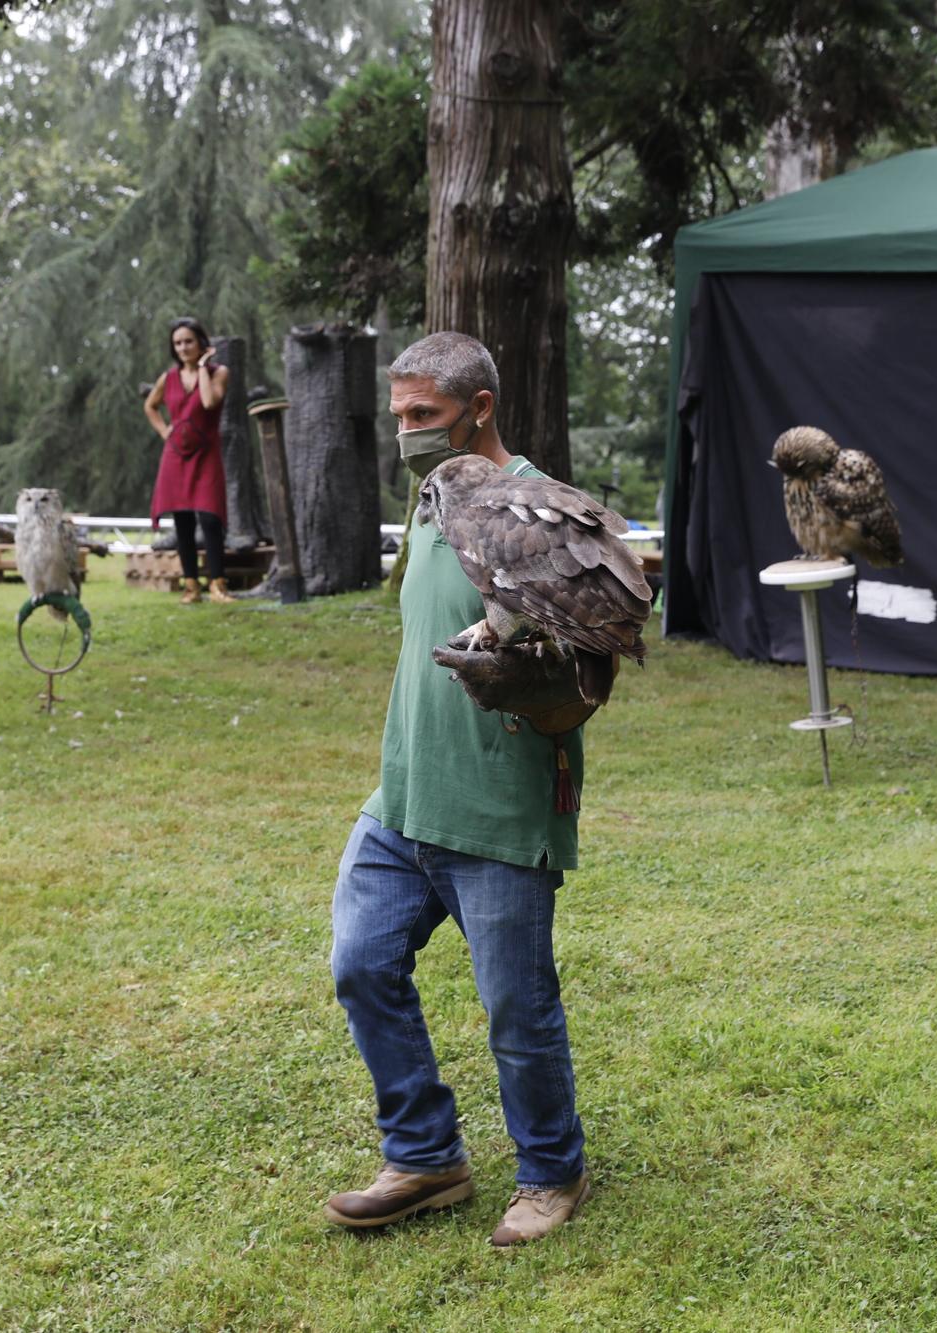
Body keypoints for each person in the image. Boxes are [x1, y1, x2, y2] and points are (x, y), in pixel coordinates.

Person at [324, 332, 590, 1247]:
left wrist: (539, 681)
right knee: (360, 962)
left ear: (478, 408)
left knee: (517, 1007)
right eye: (397, 416)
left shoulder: (531, 507)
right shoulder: (433, 501)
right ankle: (427, 1155)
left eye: (423, 417)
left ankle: (553, 1171)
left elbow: (589, 681)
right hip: (402, 799)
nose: (405, 434)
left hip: (500, 804)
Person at [142, 317, 231, 605]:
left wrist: (203, 367)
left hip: (206, 453)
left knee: (209, 517)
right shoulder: (167, 379)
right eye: (178, 343)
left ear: (201, 342)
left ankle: (218, 585)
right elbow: (150, 406)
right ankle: (191, 586)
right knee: (182, 519)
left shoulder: (219, 373)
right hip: (175, 455)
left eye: (188, 341)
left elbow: (208, 402)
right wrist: (164, 431)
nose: (183, 347)